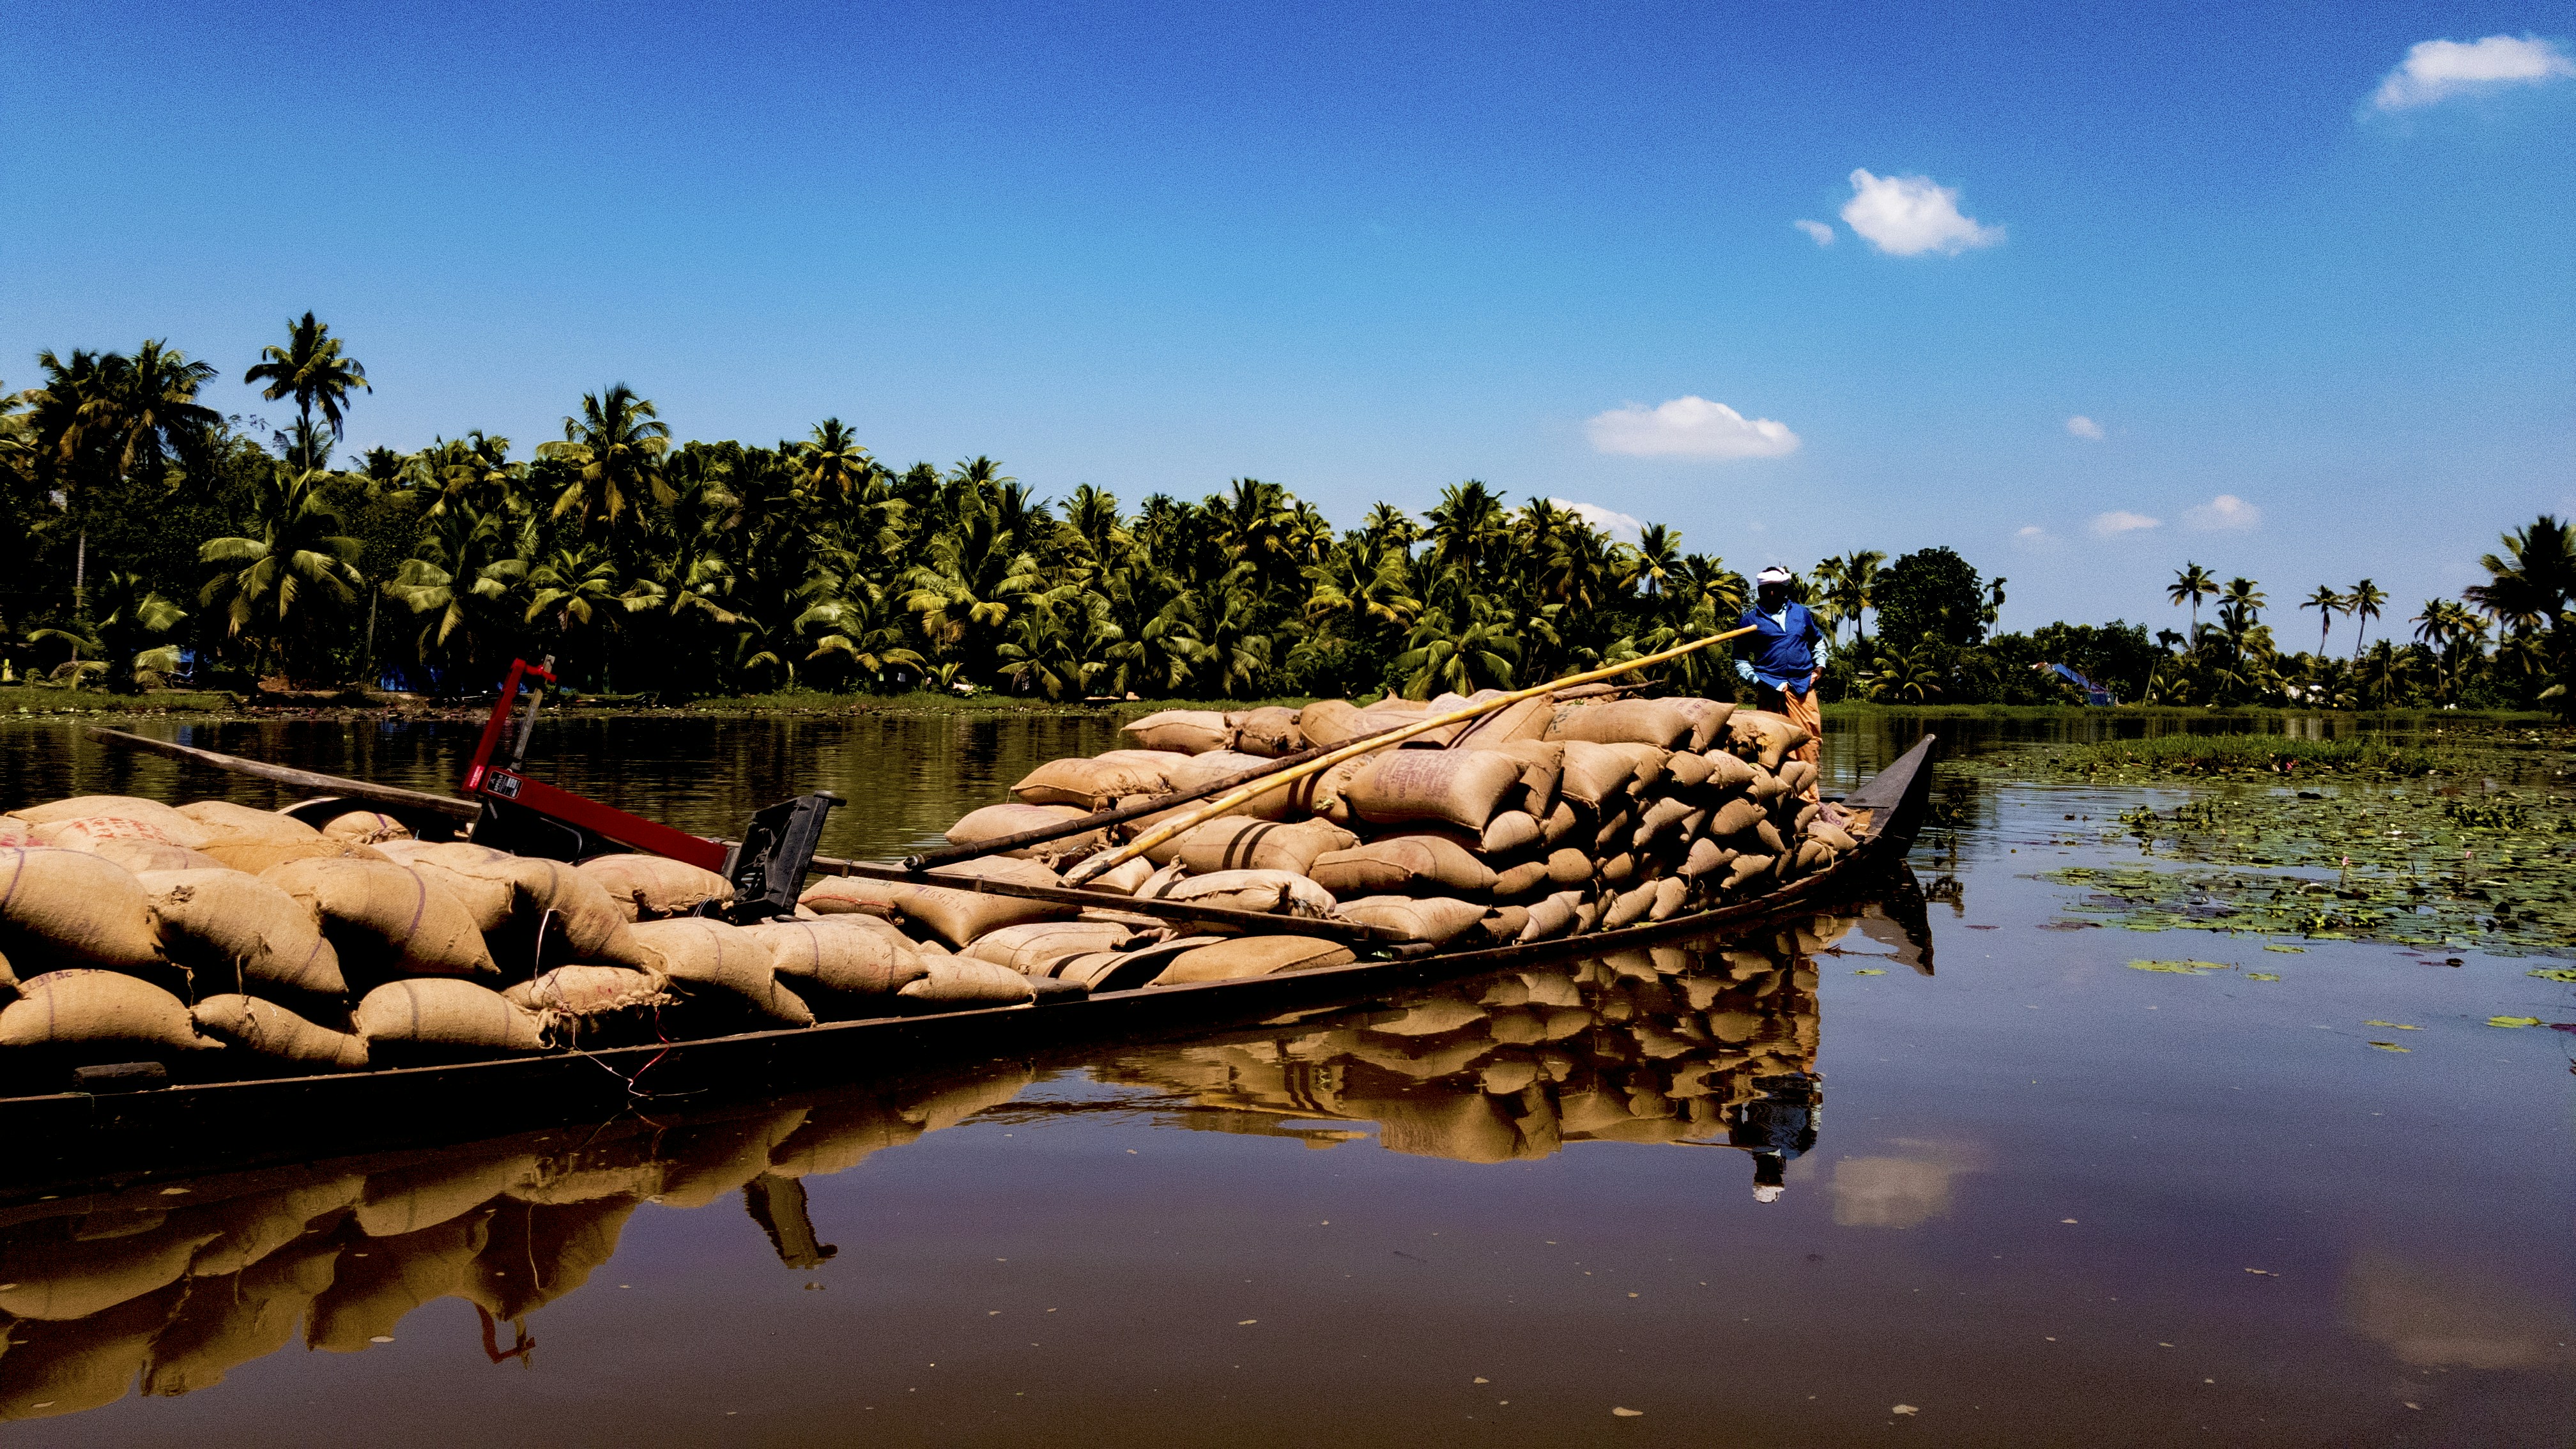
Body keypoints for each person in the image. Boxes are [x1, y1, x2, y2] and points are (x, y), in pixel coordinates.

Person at [1735, 565, 1825, 790]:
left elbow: (1817, 641)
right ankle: (1779, 796)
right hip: (1769, 689)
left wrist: (1819, 667)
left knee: (1809, 742)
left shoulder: (1801, 614)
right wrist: (1757, 681)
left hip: (1802, 687)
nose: (1772, 593)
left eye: (1776, 589)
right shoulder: (1750, 621)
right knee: (1770, 746)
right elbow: (1740, 659)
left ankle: (1809, 798)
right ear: (1760, 592)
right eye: (1766, 590)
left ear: (1785, 589)